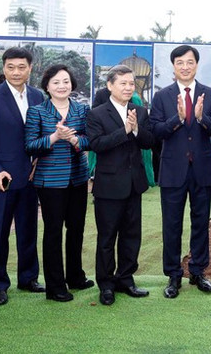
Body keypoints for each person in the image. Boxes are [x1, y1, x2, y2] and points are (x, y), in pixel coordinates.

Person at [150, 45, 211, 299]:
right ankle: (173, 274)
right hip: (172, 170)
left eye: (189, 62)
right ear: (173, 66)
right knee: (171, 224)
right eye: (180, 62)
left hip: (202, 169)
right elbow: (155, 132)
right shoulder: (162, 97)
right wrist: (178, 119)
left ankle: (198, 271)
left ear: (196, 65)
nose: (185, 66)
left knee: (200, 223)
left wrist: (202, 118)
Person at [0, 47, 45, 305]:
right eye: (11, 67)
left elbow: (41, 136)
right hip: (0, 180)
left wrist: (39, 161)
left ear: (30, 69)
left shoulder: (38, 96)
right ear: (4, 69)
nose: (16, 72)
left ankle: (28, 278)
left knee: (28, 230)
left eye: (21, 67)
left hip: (30, 177)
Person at [24, 64, 94, 302]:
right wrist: (54, 137)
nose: (62, 86)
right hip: (50, 180)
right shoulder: (37, 111)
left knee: (76, 228)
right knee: (53, 232)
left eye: (65, 81)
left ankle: (76, 276)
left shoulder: (82, 110)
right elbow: (30, 145)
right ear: (47, 86)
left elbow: (90, 140)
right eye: (56, 82)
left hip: (78, 177)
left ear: (72, 84)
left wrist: (74, 139)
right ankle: (55, 286)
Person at [86, 65, 155, 306]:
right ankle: (105, 285)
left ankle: (126, 279)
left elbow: (149, 142)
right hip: (108, 186)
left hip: (134, 185)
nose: (128, 87)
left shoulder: (140, 111)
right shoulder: (97, 114)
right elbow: (96, 144)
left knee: (131, 236)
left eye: (131, 83)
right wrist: (124, 131)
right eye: (123, 83)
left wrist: (136, 130)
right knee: (107, 238)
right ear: (110, 86)